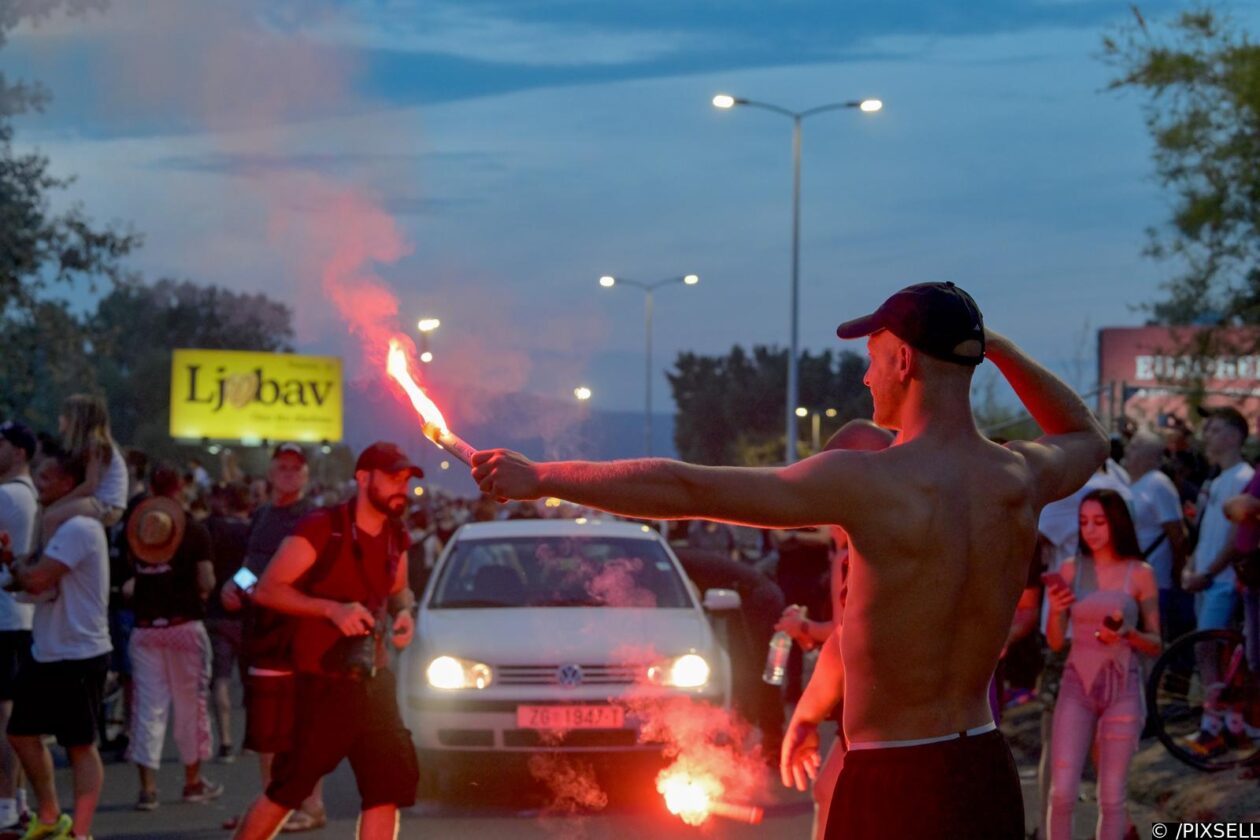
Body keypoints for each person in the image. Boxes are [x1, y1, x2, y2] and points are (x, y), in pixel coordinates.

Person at [473, 281, 1108, 839]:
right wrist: (988, 343)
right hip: (982, 766)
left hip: (893, 776)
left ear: (905, 359)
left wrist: (545, 477)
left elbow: (688, 486)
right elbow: (1087, 435)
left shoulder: (869, 482)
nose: (866, 377)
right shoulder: (1018, 475)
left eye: (872, 359)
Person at [232, 442, 421, 840]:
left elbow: (399, 590)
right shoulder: (322, 527)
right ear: (364, 478)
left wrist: (405, 612)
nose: (401, 488)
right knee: (286, 791)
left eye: (406, 480)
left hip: (375, 679)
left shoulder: (396, 535)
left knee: (384, 791)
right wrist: (331, 611)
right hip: (321, 682)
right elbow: (268, 589)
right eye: (393, 478)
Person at [774, 419, 894, 840]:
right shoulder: (942, 524)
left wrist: (804, 718)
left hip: (887, 736)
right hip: (947, 737)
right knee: (829, 793)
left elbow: (847, 637)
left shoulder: (866, 552)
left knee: (837, 801)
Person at [3, 447, 111, 840]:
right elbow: (32, 581)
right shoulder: (56, 526)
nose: (39, 486)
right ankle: (50, 815)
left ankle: (79, 832)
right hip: (48, 649)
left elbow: (36, 580)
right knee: (20, 731)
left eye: (46, 479)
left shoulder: (79, 527)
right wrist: (14, 562)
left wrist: (15, 566)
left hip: (79, 653)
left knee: (80, 745)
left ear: (69, 483)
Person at [219, 443, 326, 833]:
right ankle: (272, 804)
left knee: (301, 727)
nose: (288, 473)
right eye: (282, 467)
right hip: (262, 636)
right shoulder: (263, 515)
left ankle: (310, 805)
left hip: (297, 637)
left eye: (295, 469)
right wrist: (234, 586)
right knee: (267, 728)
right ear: (270, 472)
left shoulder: (313, 518)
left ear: (306, 476)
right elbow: (253, 564)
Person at [1044, 489, 1161, 840]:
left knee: (1111, 797)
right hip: (1076, 684)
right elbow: (1053, 641)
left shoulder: (1139, 573)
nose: (1090, 531)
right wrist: (1057, 607)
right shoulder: (1070, 568)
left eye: (1099, 522)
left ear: (1117, 523)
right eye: (1083, 523)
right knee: (1061, 791)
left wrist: (1129, 633)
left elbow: (1157, 644)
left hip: (1122, 686)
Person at [124, 465, 221, 811]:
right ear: (180, 490)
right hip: (184, 627)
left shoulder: (135, 529)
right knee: (189, 709)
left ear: (151, 488)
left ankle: (147, 789)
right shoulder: (194, 531)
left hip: (146, 628)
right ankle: (192, 782)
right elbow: (207, 580)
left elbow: (127, 584)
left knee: (147, 709)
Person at [1183, 405, 1254, 758]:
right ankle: (1225, 723)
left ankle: (1216, 726)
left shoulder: (1243, 477)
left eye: (1213, 429)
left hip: (1223, 580)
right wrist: (1192, 567)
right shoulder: (1214, 480)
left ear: (1235, 435)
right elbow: (1202, 534)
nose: (1206, 435)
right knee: (1209, 651)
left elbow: (1236, 538)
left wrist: (1209, 572)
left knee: (1210, 648)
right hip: (1206, 578)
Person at [0, 421, 37, 830]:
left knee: (5, 717)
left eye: (1, 445)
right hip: (21, 617)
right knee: (18, 718)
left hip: (5, 618)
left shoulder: (7, 495)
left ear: (19, 453)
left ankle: (6, 807)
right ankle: (20, 802)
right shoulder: (28, 496)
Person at [1123, 431, 1192, 646]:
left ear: (1150, 456)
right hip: (1131, 579)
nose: (1127, 450)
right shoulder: (1131, 484)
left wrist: (1177, 572)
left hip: (1156, 580)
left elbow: (1177, 535)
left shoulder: (1158, 484)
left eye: (1134, 446)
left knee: (1150, 641)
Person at [204, 482, 252, 763]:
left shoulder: (211, 530)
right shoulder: (250, 532)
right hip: (245, 615)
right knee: (249, 681)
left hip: (215, 614)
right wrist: (238, 588)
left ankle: (224, 741)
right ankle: (249, 739)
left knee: (219, 680)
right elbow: (254, 569)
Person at [40, 395, 128, 542]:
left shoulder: (96, 445)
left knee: (51, 517)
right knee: (47, 511)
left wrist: (60, 503)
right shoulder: (90, 445)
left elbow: (90, 485)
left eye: (65, 415)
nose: (60, 418)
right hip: (101, 501)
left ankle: (48, 560)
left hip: (106, 503)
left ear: (77, 421)